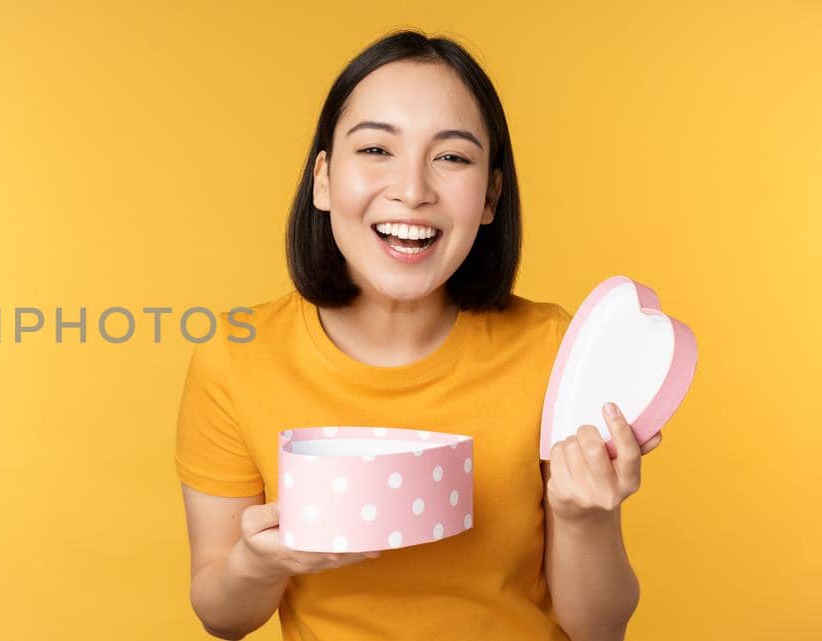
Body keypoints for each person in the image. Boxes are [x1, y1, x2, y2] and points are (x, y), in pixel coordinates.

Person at [174, 29, 663, 641]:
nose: (413, 190)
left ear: (490, 195)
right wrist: (261, 562)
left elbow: (600, 630)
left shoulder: (555, 350)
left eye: (452, 157)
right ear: (323, 180)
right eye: (376, 149)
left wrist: (586, 515)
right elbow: (221, 615)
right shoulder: (236, 357)